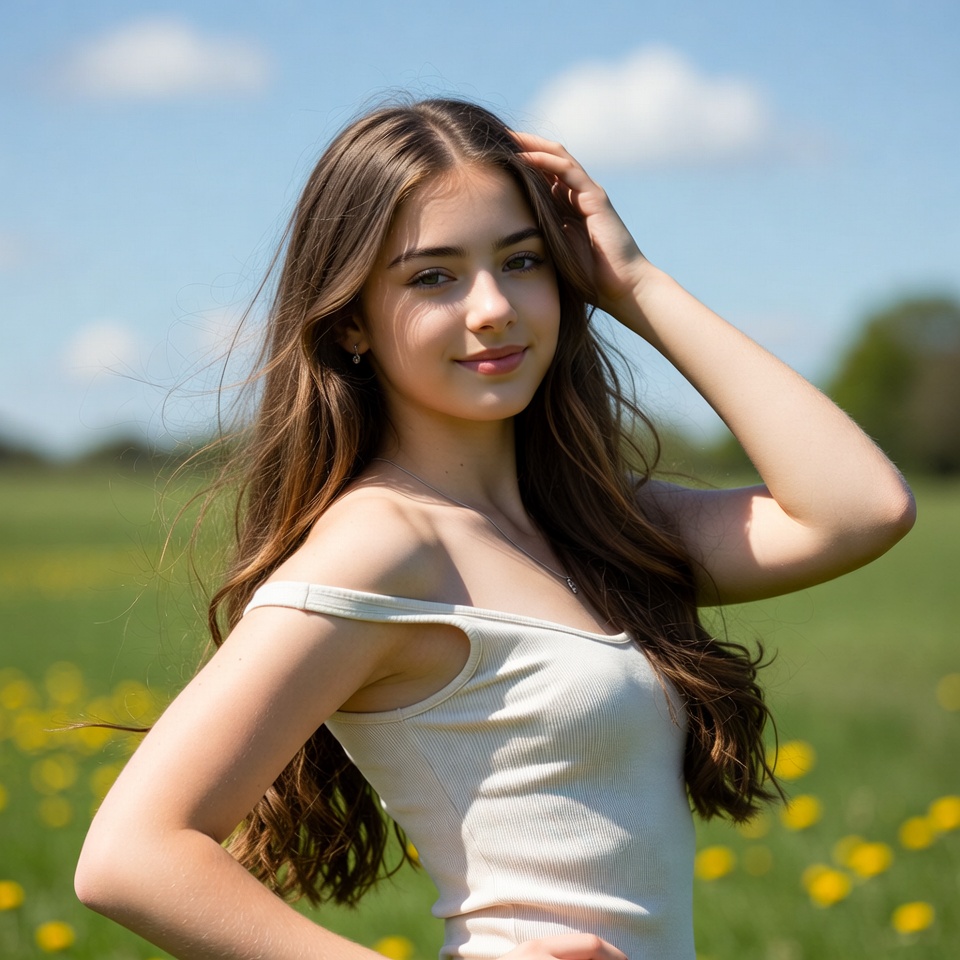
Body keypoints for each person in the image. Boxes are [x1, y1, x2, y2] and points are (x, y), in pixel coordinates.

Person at [74, 97, 915, 960]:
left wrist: (636, 283)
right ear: (352, 319)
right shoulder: (383, 544)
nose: (493, 307)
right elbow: (128, 856)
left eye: (521, 260)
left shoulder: (592, 523)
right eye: (433, 275)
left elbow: (860, 509)